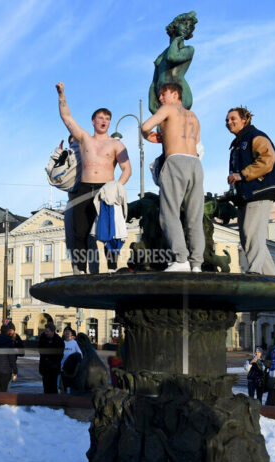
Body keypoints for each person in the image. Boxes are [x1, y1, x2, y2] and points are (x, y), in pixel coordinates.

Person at [56, 82, 131, 274]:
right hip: (84, 188)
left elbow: (126, 169)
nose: (104, 121)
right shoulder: (84, 139)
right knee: (80, 231)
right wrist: (62, 94)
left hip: (106, 189)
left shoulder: (116, 144)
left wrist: (116, 187)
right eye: (100, 118)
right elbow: (66, 117)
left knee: (110, 230)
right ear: (93, 121)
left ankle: (112, 268)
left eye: (107, 118)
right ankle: (80, 269)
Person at [141, 82, 203, 272]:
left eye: (163, 94)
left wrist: (148, 136)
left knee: (169, 212)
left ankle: (181, 259)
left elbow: (145, 126)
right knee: (195, 217)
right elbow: (198, 143)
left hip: (175, 161)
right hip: (196, 164)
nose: (160, 98)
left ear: (175, 94)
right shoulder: (194, 116)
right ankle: (197, 264)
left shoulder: (168, 108)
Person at [225, 106, 275, 275]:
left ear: (245, 119)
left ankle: (255, 272)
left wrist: (242, 174)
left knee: (251, 234)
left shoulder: (255, 137)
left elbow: (268, 159)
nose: (229, 122)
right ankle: (272, 280)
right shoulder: (240, 142)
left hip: (259, 191)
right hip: (247, 195)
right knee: (249, 237)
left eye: (233, 118)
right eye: (227, 120)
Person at [38, 320, 65, 394]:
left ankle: (53, 402)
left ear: (52, 331)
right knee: (46, 387)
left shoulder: (59, 341)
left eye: (47, 331)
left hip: (54, 368)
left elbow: (60, 355)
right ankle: (46, 402)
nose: (46, 333)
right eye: (45, 331)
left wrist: (54, 363)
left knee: (53, 387)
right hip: (44, 367)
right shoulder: (42, 338)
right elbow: (40, 351)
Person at [60, 327, 83, 393]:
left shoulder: (74, 343)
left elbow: (80, 354)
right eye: (65, 331)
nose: (67, 333)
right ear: (64, 333)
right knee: (62, 387)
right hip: (62, 368)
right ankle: (63, 399)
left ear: (71, 333)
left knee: (71, 386)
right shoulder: (61, 343)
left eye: (69, 331)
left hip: (71, 369)